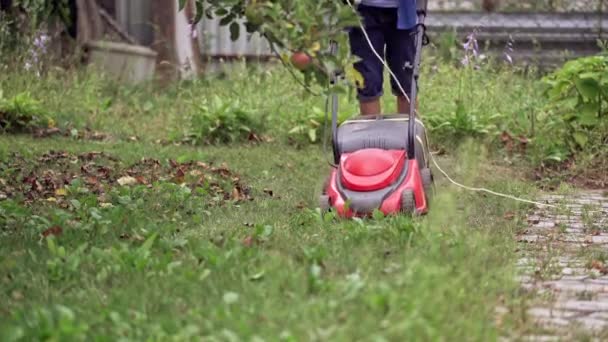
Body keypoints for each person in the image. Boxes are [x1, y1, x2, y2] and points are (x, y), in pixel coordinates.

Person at [347, 0, 418, 116]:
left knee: (406, 80)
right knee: (367, 81)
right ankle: (372, 133)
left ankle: (409, 131)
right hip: (362, 11)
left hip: (403, 10)